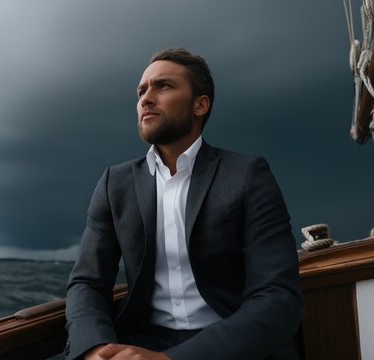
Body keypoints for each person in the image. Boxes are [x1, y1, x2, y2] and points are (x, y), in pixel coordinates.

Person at [64, 48, 303, 360]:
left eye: (163, 86)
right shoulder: (114, 184)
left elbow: (278, 296)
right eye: (141, 91)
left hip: (234, 346)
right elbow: (87, 283)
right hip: (141, 343)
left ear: (200, 105)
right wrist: (95, 349)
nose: (145, 99)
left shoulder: (248, 176)